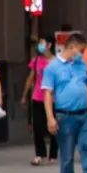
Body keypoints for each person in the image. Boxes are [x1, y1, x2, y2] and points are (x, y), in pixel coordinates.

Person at [42, 33, 87, 173]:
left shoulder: (82, 65)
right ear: (72, 47)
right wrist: (50, 117)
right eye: (81, 50)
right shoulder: (52, 67)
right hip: (65, 116)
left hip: (85, 115)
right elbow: (48, 93)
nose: (83, 54)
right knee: (67, 154)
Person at [22, 37, 58, 165]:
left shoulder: (57, 61)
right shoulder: (36, 60)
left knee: (53, 127)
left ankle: (53, 154)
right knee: (37, 126)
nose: (40, 45)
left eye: (42, 43)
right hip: (37, 97)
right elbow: (31, 78)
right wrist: (24, 95)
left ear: (49, 45)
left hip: (53, 99)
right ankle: (40, 154)